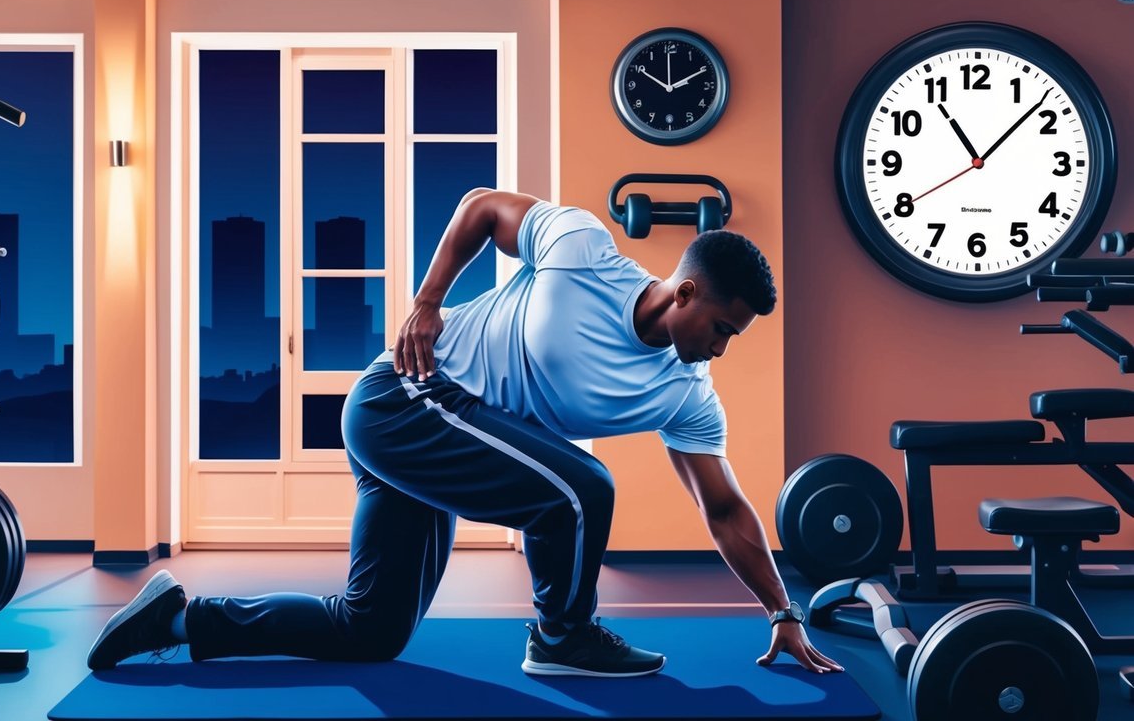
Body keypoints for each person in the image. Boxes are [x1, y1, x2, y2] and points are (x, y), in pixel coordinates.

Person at [86, 189, 843, 678]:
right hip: (406, 397)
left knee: (370, 630)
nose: (721, 347)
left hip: (441, 444)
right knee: (582, 489)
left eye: (733, 337)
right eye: (719, 327)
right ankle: (561, 637)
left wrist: (781, 610)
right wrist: (425, 302)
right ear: (683, 293)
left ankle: (179, 619)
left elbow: (723, 509)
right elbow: (481, 206)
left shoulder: (685, 393)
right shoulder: (580, 251)